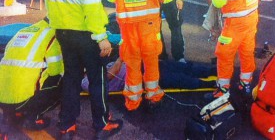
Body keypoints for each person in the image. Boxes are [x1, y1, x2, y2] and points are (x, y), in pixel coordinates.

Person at [45, 0, 122, 139]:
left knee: (71, 78)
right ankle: (102, 124)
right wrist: (101, 37)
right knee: (98, 79)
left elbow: (49, 0)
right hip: (86, 35)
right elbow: (93, 10)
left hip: (63, 32)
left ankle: (67, 125)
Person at [106, 0, 170, 111]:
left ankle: (133, 101)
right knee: (150, 58)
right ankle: (153, 96)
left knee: (132, 60)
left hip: (127, 23)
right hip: (148, 22)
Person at [206, 0, 258, 100]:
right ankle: (245, 83)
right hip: (252, 17)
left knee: (224, 54)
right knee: (247, 51)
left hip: (235, 23)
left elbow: (217, 2)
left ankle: (223, 89)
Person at [0, 19, 63, 136]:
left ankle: (11, 114)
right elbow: (57, 71)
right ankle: (34, 117)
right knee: (65, 81)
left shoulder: (25, 30)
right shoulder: (53, 35)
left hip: (2, 99)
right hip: (23, 101)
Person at [82, 58, 217, 92]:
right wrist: (120, 60)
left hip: (141, 65)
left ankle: (210, 71)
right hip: (139, 78)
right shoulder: (85, 82)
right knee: (176, 78)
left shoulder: (98, 66)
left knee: (179, 66)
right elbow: (108, 77)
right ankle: (208, 84)